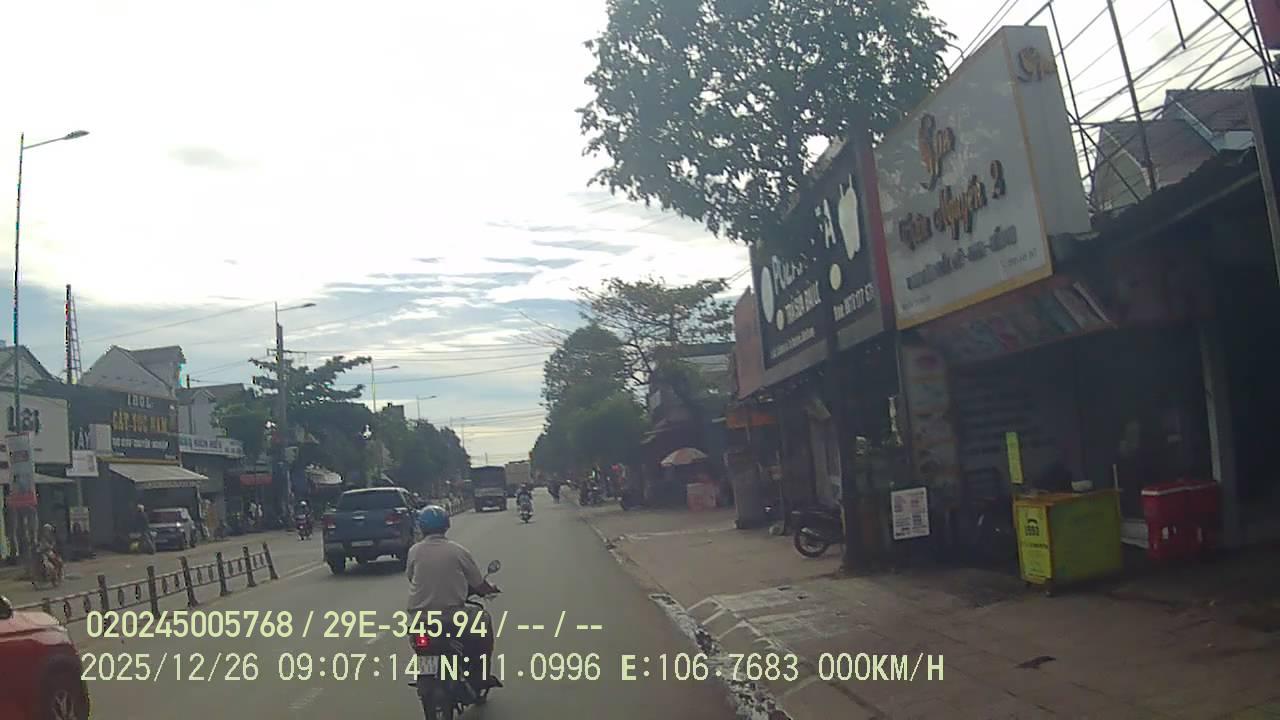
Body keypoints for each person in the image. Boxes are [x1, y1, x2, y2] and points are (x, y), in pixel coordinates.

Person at [405, 505, 501, 696]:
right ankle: (480, 675)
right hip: (452, 616)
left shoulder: (414, 551)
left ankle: (426, 672)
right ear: (446, 525)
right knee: (483, 621)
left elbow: (411, 576)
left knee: (423, 649)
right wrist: (489, 589)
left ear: (421, 527)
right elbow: (478, 583)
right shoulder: (458, 551)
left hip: (420, 619)